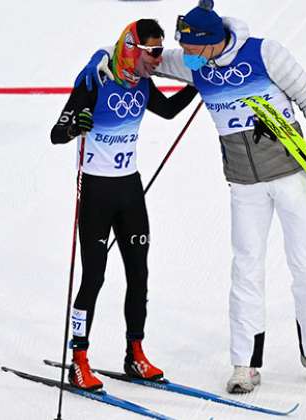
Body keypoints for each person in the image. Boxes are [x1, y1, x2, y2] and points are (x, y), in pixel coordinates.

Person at [81, 0, 306, 393]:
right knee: (245, 270)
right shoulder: (191, 61)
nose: (183, 57)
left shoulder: (265, 53)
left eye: (190, 49)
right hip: (243, 182)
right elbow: (141, 58)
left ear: (210, 43)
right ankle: (244, 364)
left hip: (290, 175)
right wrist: (101, 58)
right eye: (182, 50)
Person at [50, 18, 198, 390]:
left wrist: (199, 84)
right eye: (151, 51)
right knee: (94, 277)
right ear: (131, 47)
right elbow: (57, 134)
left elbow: (166, 111)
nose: (157, 59)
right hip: (97, 192)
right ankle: (79, 359)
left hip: (129, 191)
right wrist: (75, 127)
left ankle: (135, 354)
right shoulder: (95, 79)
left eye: (160, 51)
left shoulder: (142, 84)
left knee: (139, 274)